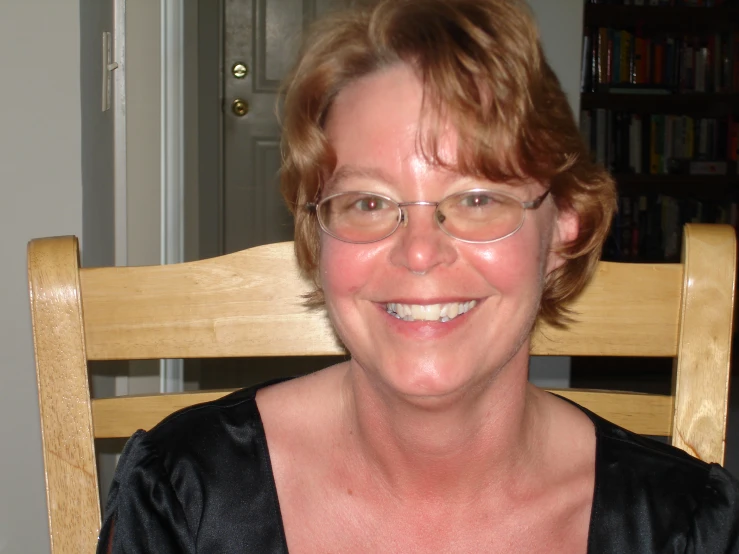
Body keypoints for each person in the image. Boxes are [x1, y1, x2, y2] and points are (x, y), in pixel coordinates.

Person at [98, 0, 739, 552]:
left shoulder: (679, 528)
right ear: (316, 237)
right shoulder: (184, 501)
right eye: (369, 203)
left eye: (478, 198)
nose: (420, 253)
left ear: (564, 227)